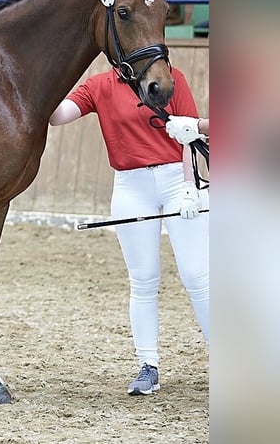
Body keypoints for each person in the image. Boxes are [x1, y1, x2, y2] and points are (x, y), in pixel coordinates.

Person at [49, 67, 209, 396]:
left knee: (197, 275)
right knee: (144, 279)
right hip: (130, 186)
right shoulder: (99, 86)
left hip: (176, 179)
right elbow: (58, 116)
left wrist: (190, 187)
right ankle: (148, 365)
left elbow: (188, 133)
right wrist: (48, 77)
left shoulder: (170, 77)